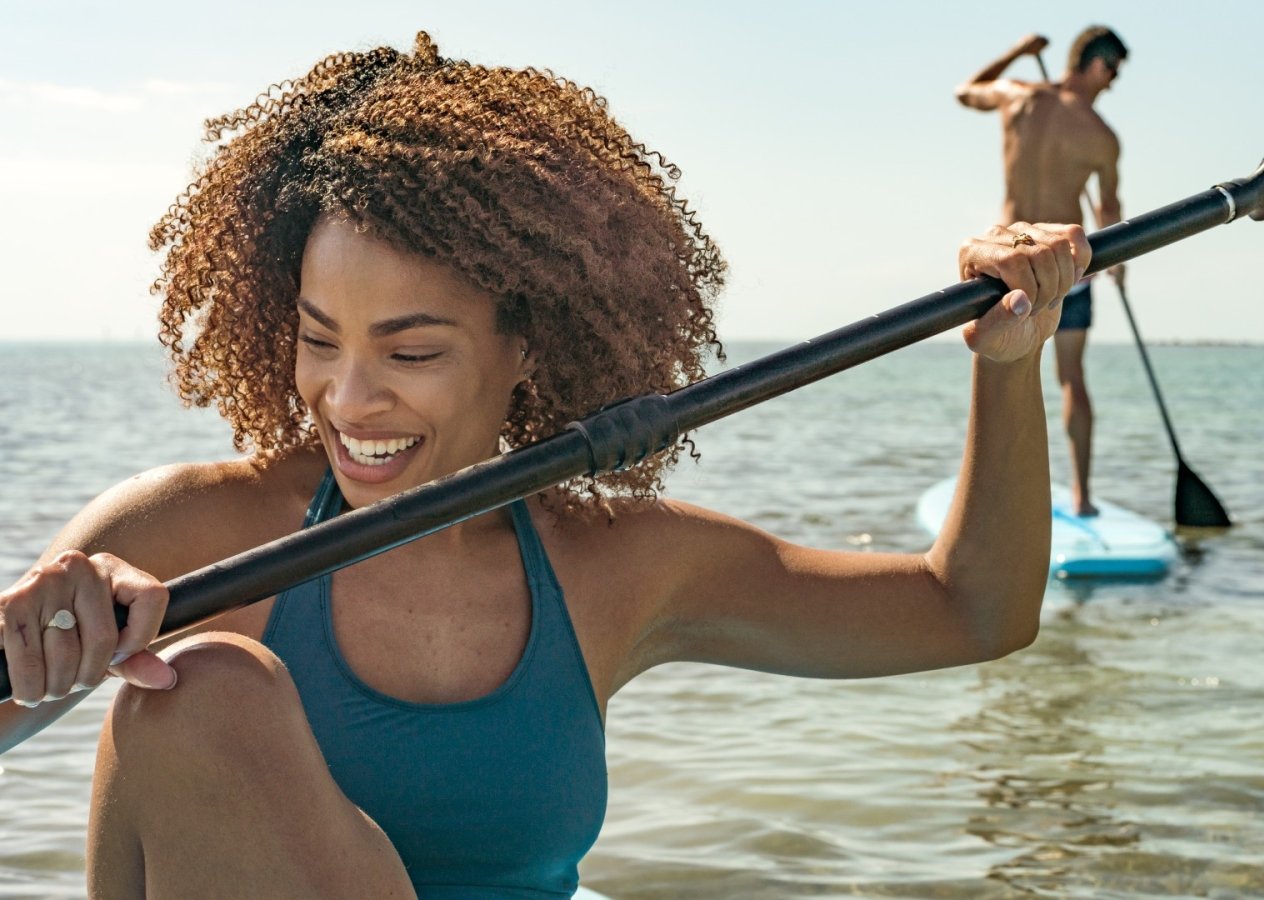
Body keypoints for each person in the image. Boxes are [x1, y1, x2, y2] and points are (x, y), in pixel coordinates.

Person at [0, 31, 1088, 899]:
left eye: (411, 350)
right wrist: (47, 631)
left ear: (528, 345)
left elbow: (971, 611)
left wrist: (1009, 362)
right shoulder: (187, 532)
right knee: (204, 692)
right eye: (318, 337)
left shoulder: (614, 566)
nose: (347, 397)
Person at [955, 26, 1128, 516]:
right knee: (1072, 377)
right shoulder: (1102, 137)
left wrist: (1017, 53)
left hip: (1008, 261)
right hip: (1067, 265)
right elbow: (1110, 210)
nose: (1112, 84)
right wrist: (1120, 265)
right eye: (1113, 72)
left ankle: (999, 501)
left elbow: (966, 92)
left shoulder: (1017, 95)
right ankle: (1083, 497)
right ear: (1098, 63)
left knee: (1004, 371)